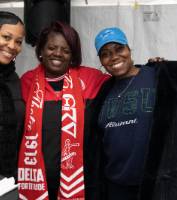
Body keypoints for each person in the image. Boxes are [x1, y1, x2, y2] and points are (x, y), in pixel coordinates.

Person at [91, 27, 177, 200]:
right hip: (116, 190)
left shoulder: (163, 77)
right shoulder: (102, 93)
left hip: (161, 188)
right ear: (101, 61)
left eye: (119, 49)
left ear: (129, 49)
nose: (114, 57)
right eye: (106, 54)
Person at [17, 21, 109, 200]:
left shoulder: (90, 78)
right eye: (51, 47)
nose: (58, 54)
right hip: (38, 183)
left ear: (73, 55)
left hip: (81, 184)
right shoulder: (26, 82)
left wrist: (154, 67)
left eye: (66, 50)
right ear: (41, 50)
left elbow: (125, 78)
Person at [0, 11, 25, 179]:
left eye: (18, 42)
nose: (12, 46)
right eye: (6, 37)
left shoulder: (15, 80)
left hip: (9, 179)